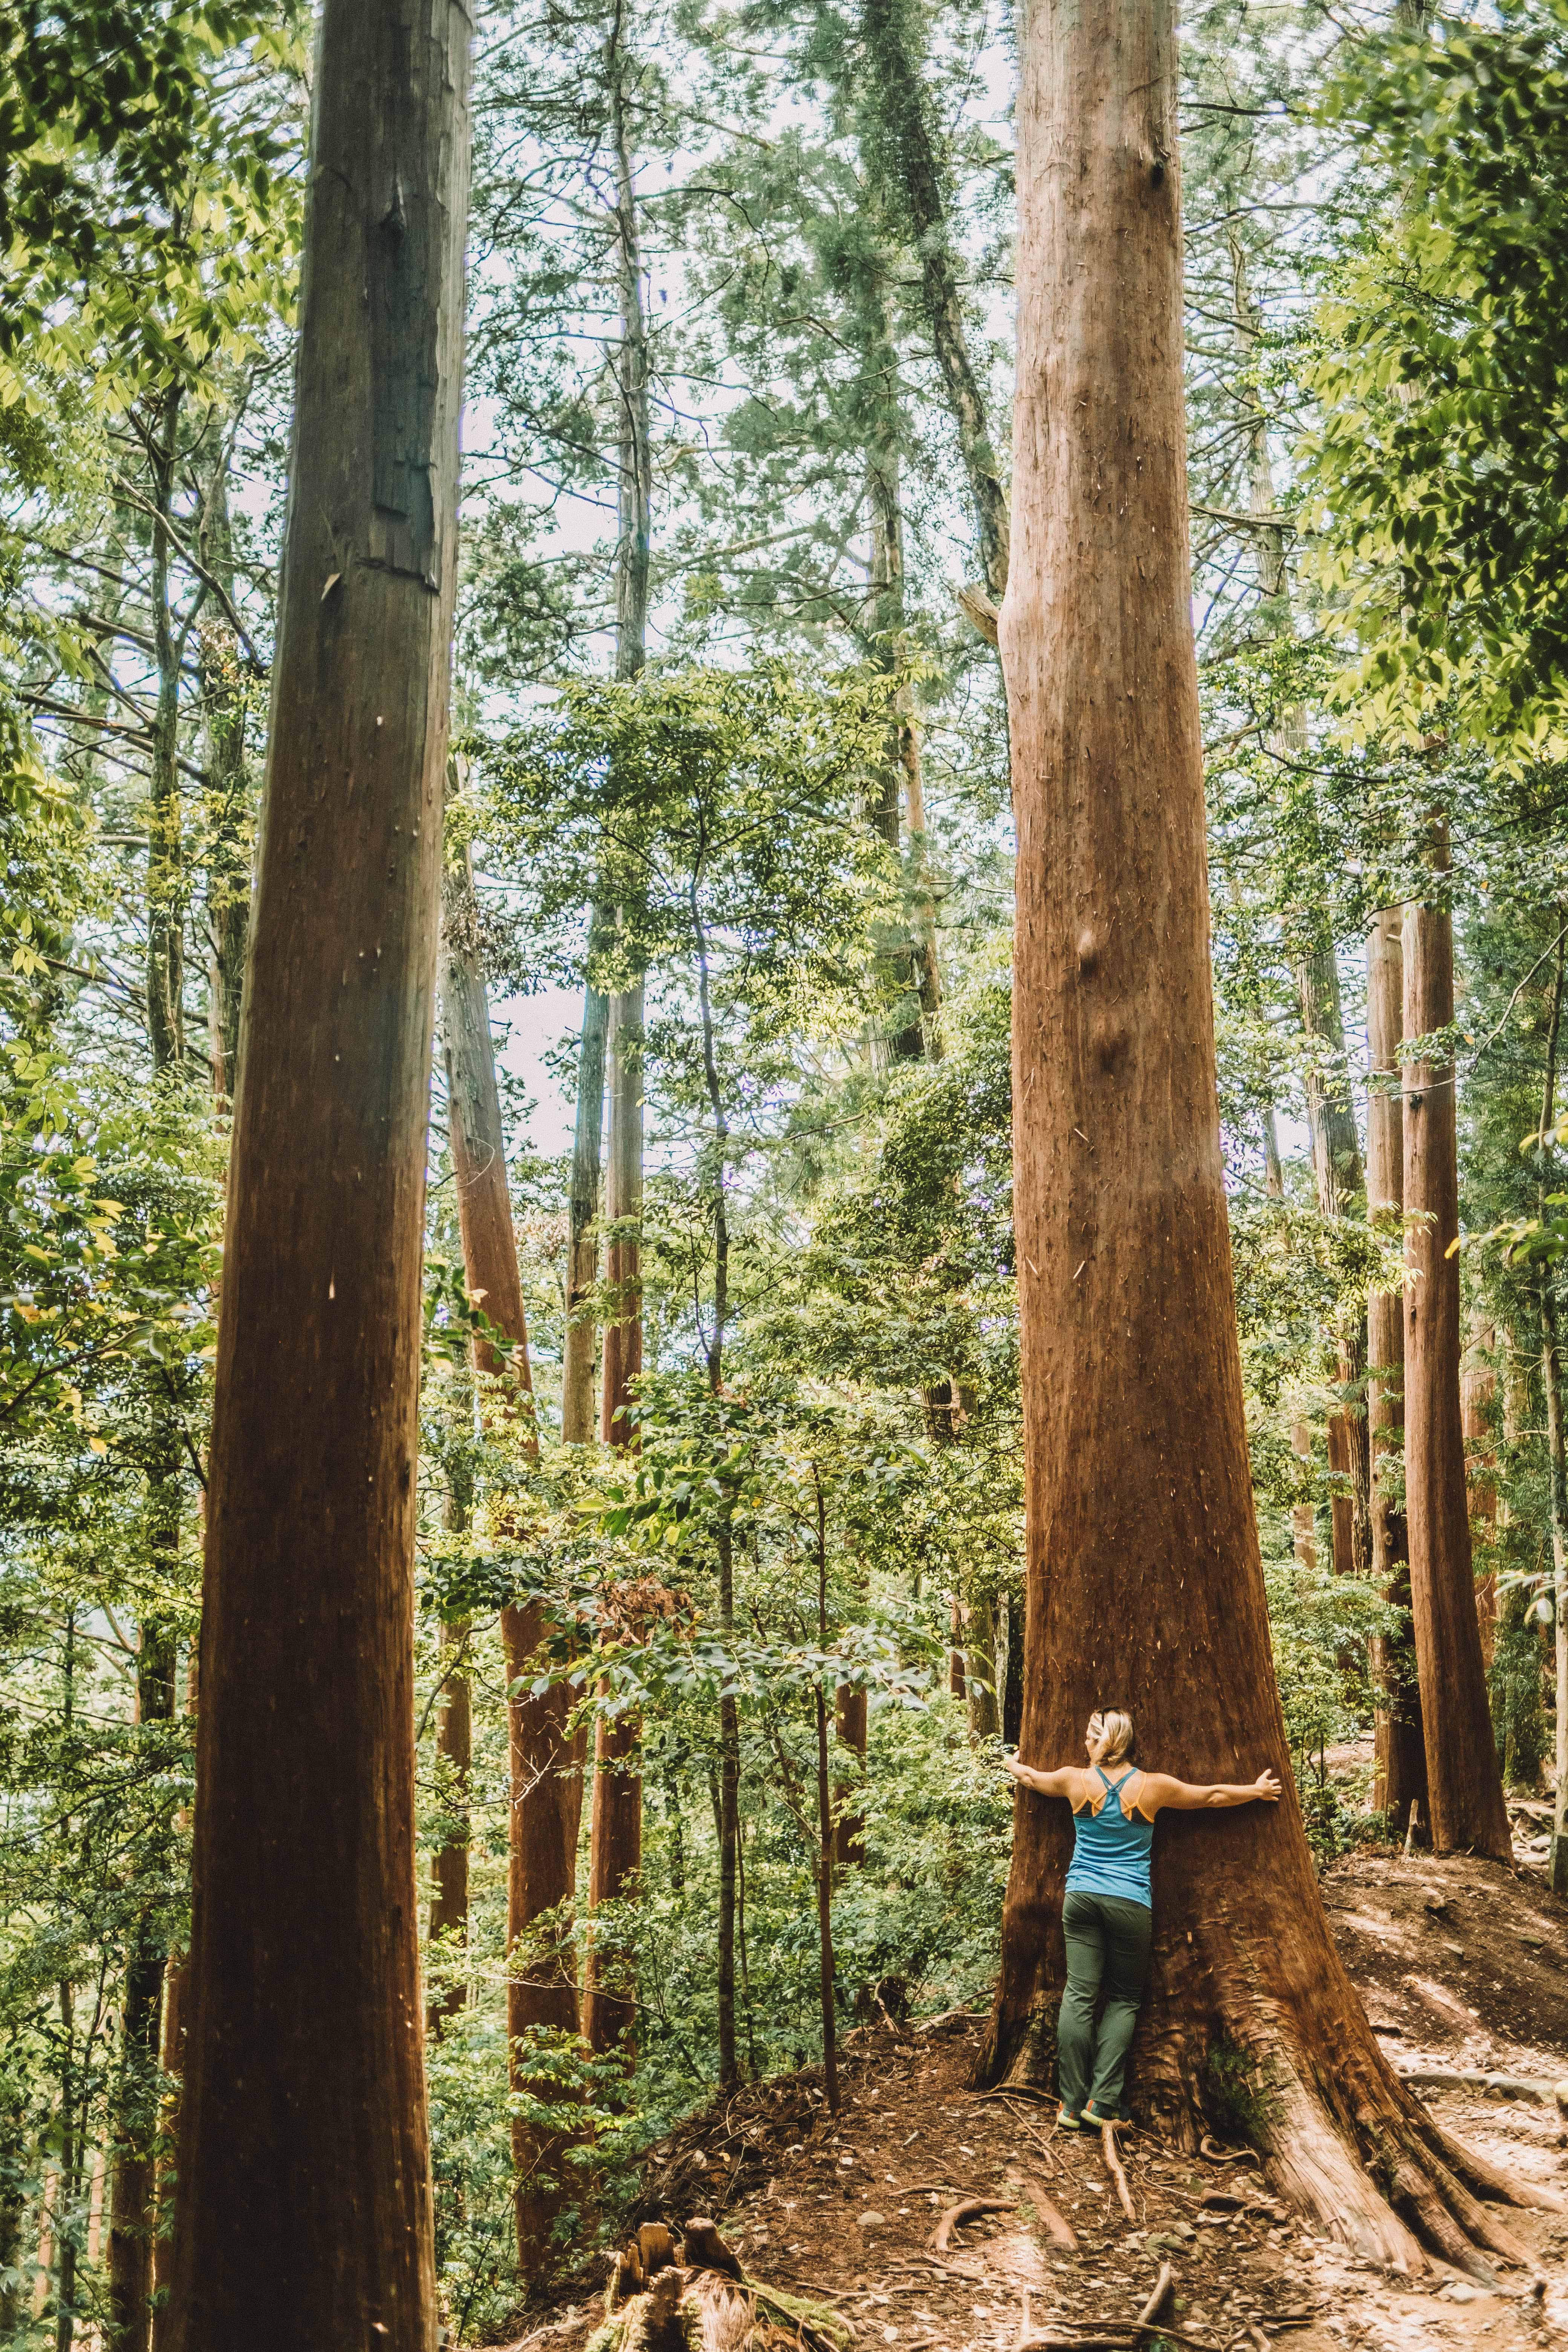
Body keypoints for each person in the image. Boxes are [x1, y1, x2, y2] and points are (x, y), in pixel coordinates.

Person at [1002, 1708, 1280, 2130]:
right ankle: (1102, 2103)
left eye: (1088, 1736)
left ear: (1102, 1741)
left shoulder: (1072, 1780)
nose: (1083, 1742)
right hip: (1130, 1903)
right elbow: (1211, 1797)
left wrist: (1011, 1762)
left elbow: (1029, 1779)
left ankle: (1069, 2106)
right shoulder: (1153, 1787)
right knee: (1123, 1998)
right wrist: (1256, 1791)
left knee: (1079, 1994)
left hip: (1080, 1898)